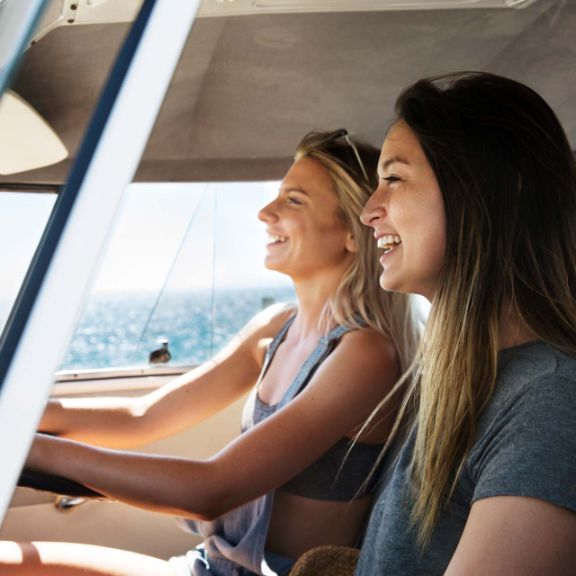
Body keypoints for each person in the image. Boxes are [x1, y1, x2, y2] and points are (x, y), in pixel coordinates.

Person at [0, 129, 419, 576]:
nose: (264, 212)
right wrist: (17, 414)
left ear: (352, 233)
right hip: (214, 565)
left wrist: (30, 447)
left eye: (294, 201)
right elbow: (141, 418)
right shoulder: (276, 328)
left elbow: (212, 490)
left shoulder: (365, 355)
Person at [356, 72, 576, 575]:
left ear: (490, 191)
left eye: (393, 178)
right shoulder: (465, 378)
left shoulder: (550, 404)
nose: (369, 211)